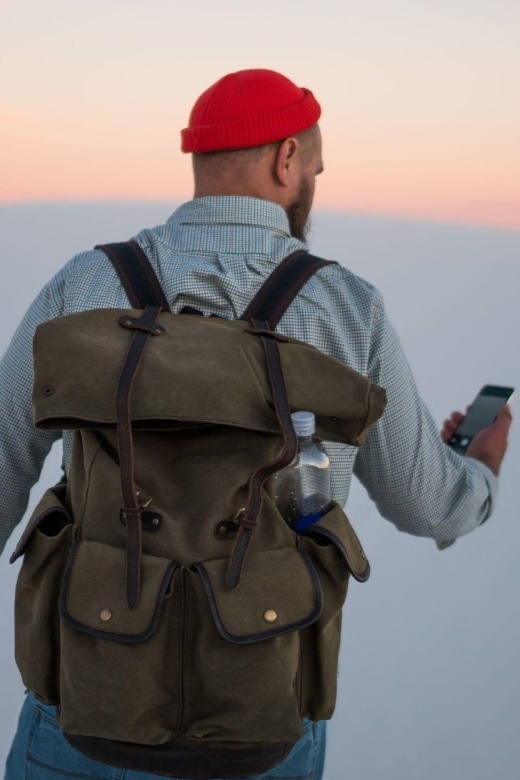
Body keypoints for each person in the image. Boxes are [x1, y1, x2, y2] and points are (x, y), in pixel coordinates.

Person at [1, 68, 512, 780]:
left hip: (86, 696)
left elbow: (1, 469)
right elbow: (430, 505)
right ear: (287, 159)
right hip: (262, 713)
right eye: (316, 167)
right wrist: (480, 469)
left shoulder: (84, 284)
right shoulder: (346, 308)